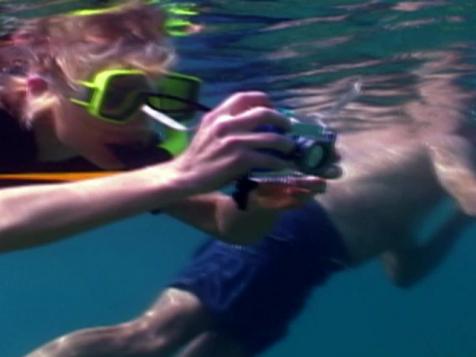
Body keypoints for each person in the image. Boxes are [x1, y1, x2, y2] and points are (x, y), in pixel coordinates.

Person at [28, 37, 476, 357]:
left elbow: (404, 270)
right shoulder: (442, 126)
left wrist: (459, 218)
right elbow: (461, 177)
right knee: (151, 336)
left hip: (315, 265)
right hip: (292, 229)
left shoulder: (432, 180)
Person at [0, 0, 330, 254]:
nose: (141, 120)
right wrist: (178, 176)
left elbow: (224, 223)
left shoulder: (123, 147)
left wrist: (257, 201)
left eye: (163, 97)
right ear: (40, 85)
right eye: (117, 95)